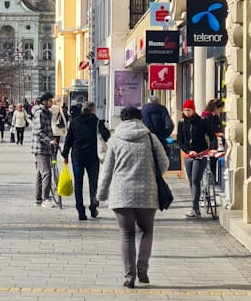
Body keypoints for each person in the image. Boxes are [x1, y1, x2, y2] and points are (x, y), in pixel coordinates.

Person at [97, 106, 168, 288]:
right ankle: (142, 266)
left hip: (121, 194)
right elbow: (164, 163)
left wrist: (101, 193)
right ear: (140, 119)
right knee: (146, 231)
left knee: (126, 234)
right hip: (147, 192)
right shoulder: (151, 138)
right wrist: (152, 173)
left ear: (122, 120)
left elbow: (107, 169)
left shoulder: (115, 140)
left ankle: (129, 276)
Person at [62, 102, 110, 220]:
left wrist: (65, 154)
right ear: (93, 110)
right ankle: (93, 206)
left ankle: (80, 211)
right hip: (92, 157)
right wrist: (102, 125)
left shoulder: (74, 121)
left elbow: (69, 139)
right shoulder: (97, 121)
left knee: (78, 183)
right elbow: (106, 136)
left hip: (77, 156)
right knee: (93, 182)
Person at [177, 99, 214, 219]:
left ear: (193, 110)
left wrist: (212, 148)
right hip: (188, 156)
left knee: (195, 180)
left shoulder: (202, 122)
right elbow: (180, 141)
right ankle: (195, 207)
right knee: (191, 182)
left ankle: (195, 209)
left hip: (200, 154)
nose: (187, 112)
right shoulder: (182, 123)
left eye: (189, 110)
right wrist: (188, 151)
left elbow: (212, 136)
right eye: (185, 110)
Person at [31, 92, 58, 207]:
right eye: (50, 100)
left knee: (40, 173)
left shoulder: (48, 113)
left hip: (46, 147)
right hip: (40, 147)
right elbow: (39, 131)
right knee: (46, 172)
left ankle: (38, 198)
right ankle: (45, 199)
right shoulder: (39, 113)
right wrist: (49, 140)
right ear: (44, 102)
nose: (52, 102)